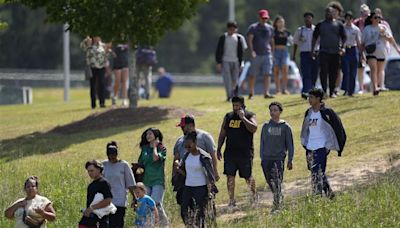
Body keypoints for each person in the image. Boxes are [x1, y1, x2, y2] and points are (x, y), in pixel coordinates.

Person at [300, 88, 346, 199]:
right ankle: (330, 195)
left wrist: (337, 145)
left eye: (311, 97)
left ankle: (317, 196)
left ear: (318, 98)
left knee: (317, 173)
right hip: (310, 147)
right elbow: (305, 129)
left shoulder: (327, 112)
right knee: (315, 172)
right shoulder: (308, 112)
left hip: (321, 147)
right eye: (308, 97)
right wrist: (304, 143)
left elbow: (338, 128)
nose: (309, 99)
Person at [217, 96, 257, 208]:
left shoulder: (250, 115)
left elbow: (254, 128)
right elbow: (222, 133)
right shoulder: (228, 117)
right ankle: (231, 200)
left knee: (248, 176)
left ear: (243, 105)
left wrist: (243, 118)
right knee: (230, 176)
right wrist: (219, 148)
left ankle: (254, 197)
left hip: (245, 153)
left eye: (237, 106)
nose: (235, 108)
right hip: (230, 152)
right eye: (234, 105)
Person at [173, 115, 220, 205]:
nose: (182, 129)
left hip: (202, 175)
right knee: (185, 202)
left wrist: (215, 172)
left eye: (183, 127)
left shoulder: (204, 136)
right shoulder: (180, 140)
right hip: (186, 176)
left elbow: (212, 155)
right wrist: (174, 175)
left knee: (204, 201)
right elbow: (176, 158)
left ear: (190, 125)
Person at [178, 131, 218, 227]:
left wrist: (210, 190)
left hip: (201, 187)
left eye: (189, 146)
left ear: (195, 143)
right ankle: (189, 225)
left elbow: (209, 174)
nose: (187, 148)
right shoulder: (186, 156)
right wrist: (179, 170)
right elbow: (185, 172)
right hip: (188, 186)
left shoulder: (204, 157)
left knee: (200, 212)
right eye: (186, 147)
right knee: (184, 209)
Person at [260, 102, 294, 212]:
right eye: (271, 110)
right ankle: (278, 196)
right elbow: (262, 143)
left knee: (277, 180)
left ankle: (277, 203)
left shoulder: (285, 127)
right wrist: (262, 157)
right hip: (266, 158)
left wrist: (290, 159)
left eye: (275, 110)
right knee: (269, 180)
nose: (272, 112)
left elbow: (290, 144)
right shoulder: (265, 126)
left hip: (279, 158)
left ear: (280, 112)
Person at [361, 12, 400, 96]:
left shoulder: (384, 27)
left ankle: (380, 85)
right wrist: (361, 54)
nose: (377, 19)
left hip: (381, 51)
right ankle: (375, 88)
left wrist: (396, 48)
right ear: (371, 19)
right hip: (370, 51)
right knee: (373, 69)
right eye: (375, 17)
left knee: (380, 69)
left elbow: (391, 39)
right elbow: (362, 42)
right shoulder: (367, 29)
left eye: (379, 17)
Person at [312, 7, 346, 98]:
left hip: (335, 52)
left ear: (333, 13)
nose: (328, 14)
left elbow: (344, 37)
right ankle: (324, 91)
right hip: (324, 52)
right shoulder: (320, 24)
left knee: (333, 72)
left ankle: (332, 91)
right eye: (327, 12)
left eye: (330, 12)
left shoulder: (338, 24)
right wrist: (313, 49)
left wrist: (342, 47)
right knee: (323, 72)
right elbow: (314, 37)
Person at [138, 127, 169, 227]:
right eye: (147, 134)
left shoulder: (162, 148)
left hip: (158, 181)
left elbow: (156, 158)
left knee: (156, 203)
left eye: (150, 134)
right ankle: (148, 225)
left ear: (156, 135)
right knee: (145, 204)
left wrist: (155, 147)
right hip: (146, 181)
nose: (148, 136)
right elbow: (141, 163)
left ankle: (165, 225)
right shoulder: (144, 149)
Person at [102, 141, 136, 228]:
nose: (111, 158)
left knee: (118, 223)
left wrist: (135, 198)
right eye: (109, 156)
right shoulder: (104, 165)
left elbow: (130, 183)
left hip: (120, 200)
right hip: (106, 200)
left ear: (117, 154)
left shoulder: (124, 165)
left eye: (113, 155)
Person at [215, 21, 247, 101]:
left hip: (236, 61)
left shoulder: (239, 38)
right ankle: (229, 95)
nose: (232, 30)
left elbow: (242, 52)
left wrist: (241, 62)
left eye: (234, 29)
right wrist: (218, 62)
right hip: (225, 61)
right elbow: (218, 50)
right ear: (228, 29)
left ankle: (233, 93)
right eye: (230, 29)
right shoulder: (223, 37)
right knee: (227, 79)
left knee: (235, 79)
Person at [247, 9, 275, 99]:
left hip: (267, 54)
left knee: (267, 74)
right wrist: (252, 51)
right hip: (257, 54)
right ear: (259, 17)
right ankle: (251, 93)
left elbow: (272, 41)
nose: (264, 20)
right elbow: (250, 40)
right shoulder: (253, 28)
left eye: (266, 18)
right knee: (253, 74)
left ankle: (266, 92)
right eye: (263, 18)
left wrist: (272, 53)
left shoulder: (270, 28)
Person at [79, 160, 113, 228]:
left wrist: (91, 208)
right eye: (88, 171)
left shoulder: (104, 183)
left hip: (100, 220)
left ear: (98, 169)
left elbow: (108, 200)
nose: (89, 173)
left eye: (92, 170)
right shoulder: (91, 185)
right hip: (89, 219)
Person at [292, 12, 319, 99]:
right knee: (306, 73)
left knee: (314, 73)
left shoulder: (316, 30)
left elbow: (320, 42)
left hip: (315, 53)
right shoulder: (300, 30)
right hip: (304, 54)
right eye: (306, 18)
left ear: (312, 19)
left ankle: (313, 91)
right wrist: (293, 55)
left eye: (309, 18)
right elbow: (295, 43)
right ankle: (305, 91)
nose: (307, 19)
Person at [80, 36, 111, 109]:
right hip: (92, 67)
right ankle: (93, 103)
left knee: (102, 84)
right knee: (93, 85)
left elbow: (105, 55)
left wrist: (107, 52)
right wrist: (87, 39)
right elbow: (82, 46)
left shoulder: (102, 45)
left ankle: (102, 102)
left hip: (101, 67)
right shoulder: (89, 44)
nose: (98, 38)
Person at [341, 11, 362, 96]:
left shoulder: (356, 29)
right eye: (347, 19)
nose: (348, 20)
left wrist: (362, 54)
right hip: (345, 50)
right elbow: (340, 40)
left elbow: (359, 42)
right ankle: (345, 89)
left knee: (353, 72)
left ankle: (351, 91)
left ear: (352, 19)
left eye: (350, 19)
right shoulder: (342, 28)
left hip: (353, 50)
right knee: (346, 71)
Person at [272, 15, 292, 95]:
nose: (281, 24)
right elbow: (272, 43)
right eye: (279, 22)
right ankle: (278, 90)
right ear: (276, 23)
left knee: (285, 69)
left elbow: (292, 41)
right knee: (276, 71)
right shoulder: (273, 32)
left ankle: (285, 89)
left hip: (284, 51)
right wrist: (272, 54)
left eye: (282, 22)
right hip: (276, 51)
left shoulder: (287, 32)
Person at [353, 4, 371, 94]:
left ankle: (375, 86)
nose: (365, 15)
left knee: (373, 67)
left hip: (371, 47)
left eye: (366, 13)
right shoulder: (356, 23)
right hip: (359, 48)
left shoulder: (372, 22)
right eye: (363, 13)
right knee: (361, 69)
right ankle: (361, 88)